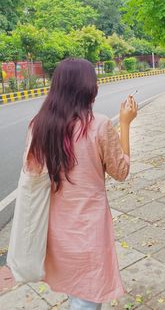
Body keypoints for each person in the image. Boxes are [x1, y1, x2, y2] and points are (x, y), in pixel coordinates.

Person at [24, 58, 138, 310]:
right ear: (89, 88)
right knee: (86, 299)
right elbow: (121, 171)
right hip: (89, 230)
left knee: (75, 292)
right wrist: (125, 124)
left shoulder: (39, 126)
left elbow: (31, 174)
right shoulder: (98, 125)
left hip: (56, 229)